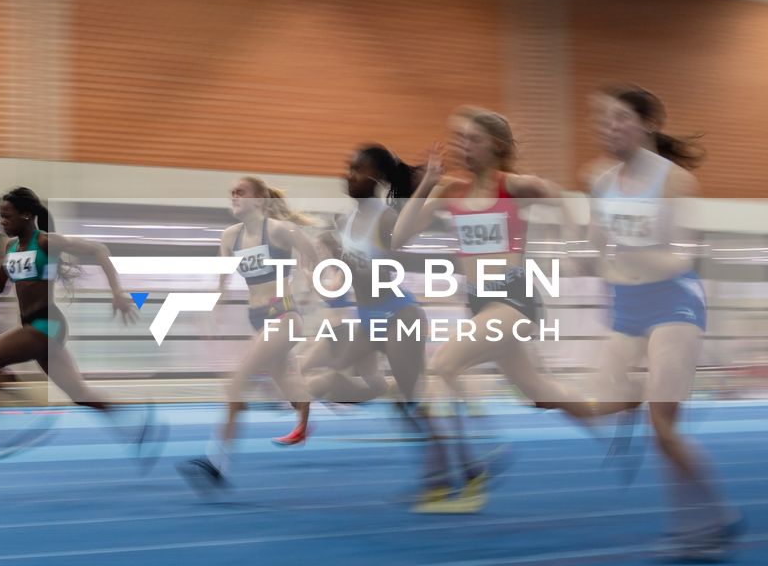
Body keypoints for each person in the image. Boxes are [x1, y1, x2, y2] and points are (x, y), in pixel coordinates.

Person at [388, 107, 579, 512]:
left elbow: (557, 193)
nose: (461, 146)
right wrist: (425, 187)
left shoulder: (511, 186)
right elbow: (399, 236)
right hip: (479, 301)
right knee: (538, 393)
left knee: (441, 367)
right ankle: (609, 410)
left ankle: (474, 468)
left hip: (513, 296)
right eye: (457, 138)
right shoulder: (450, 191)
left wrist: (572, 242)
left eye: (470, 138)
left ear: (494, 145)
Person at [584, 84, 742, 561]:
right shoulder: (596, 179)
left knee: (663, 429)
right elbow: (595, 245)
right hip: (627, 307)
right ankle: (707, 520)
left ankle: (712, 518)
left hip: (674, 303)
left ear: (648, 124)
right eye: (605, 120)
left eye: (620, 119)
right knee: (601, 402)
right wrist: (600, 270)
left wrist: (630, 264)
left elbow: (681, 255)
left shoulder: (674, 182)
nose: (610, 128)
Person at [275, 145, 460, 497]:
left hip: (399, 315)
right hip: (367, 319)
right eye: (347, 167)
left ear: (374, 178)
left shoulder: (386, 218)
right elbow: (347, 267)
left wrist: (427, 186)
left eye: (356, 170)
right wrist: (318, 255)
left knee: (410, 404)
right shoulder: (344, 220)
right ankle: (380, 391)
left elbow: (402, 235)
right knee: (323, 378)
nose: (347, 174)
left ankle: (449, 468)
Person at [0, 186, 161, 463]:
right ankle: (138, 423)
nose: (2, 222)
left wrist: (118, 292)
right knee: (79, 394)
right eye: (0, 217)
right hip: (34, 326)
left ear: (27, 215)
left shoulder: (45, 242)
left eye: (7, 216)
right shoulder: (11, 247)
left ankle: (34, 412)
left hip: (47, 325)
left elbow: (99, 249)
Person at [178, 177, 318, 494]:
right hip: (257, 318)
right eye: (231, 193)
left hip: (283, 315)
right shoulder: (230, 237)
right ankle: (306, 417)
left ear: (259, 199)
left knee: (237, 383)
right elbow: (222, 282)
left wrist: (312, 282)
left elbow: (315, 260)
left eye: (240, 192)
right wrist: (212, 314)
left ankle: (215, 463)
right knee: (288, 388)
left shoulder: (281, 231)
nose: (234, 196)